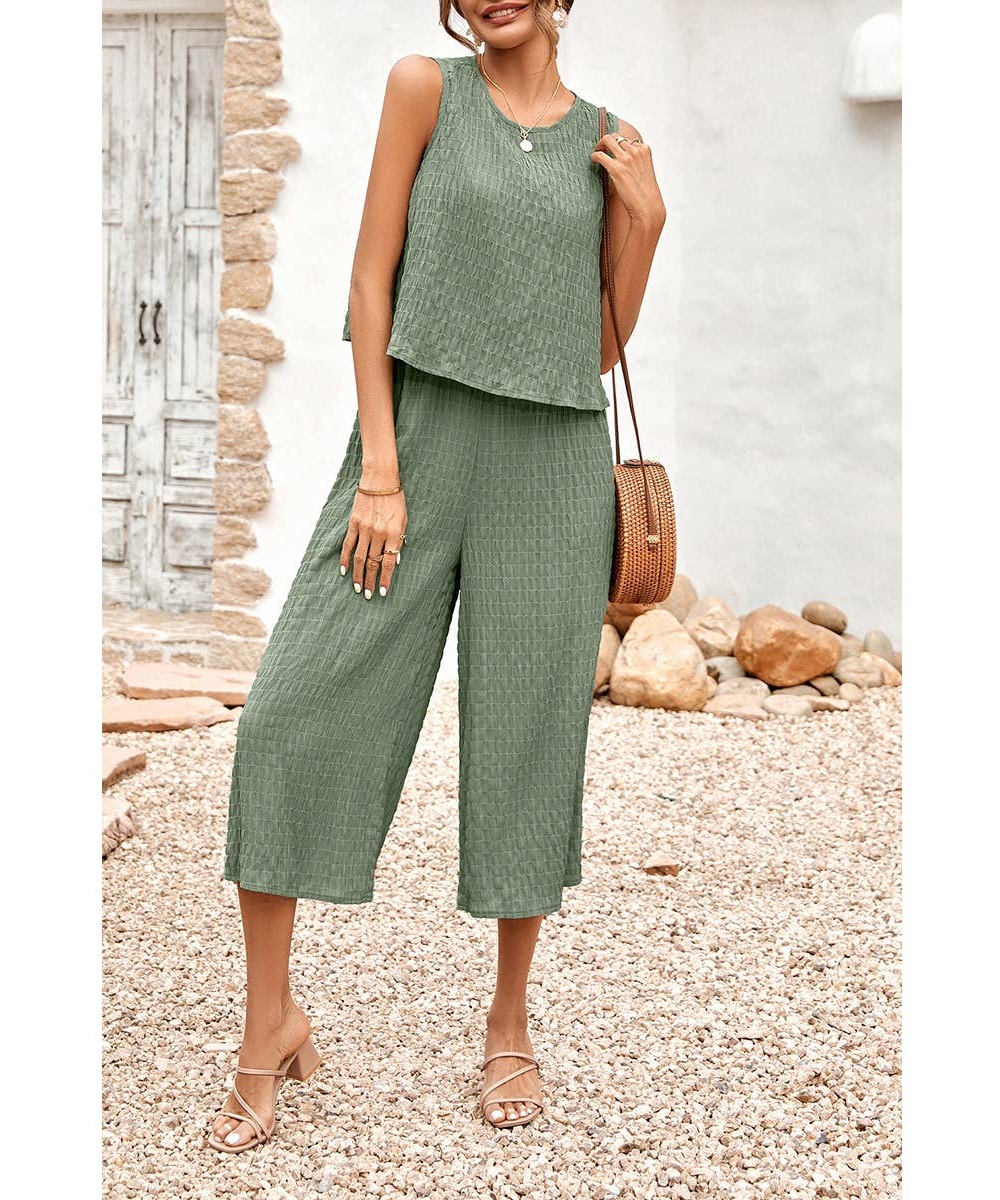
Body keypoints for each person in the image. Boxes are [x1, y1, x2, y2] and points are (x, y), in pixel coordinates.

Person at [209, 0, 666, 1151]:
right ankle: (270, 1021)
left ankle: (509, 1023)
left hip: (550, 469)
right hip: (411, 444)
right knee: (288, 718)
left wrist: (644, 224)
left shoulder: (610, 140)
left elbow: (596, 344)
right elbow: (371, 288)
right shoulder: (425, 88)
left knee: (526, 733)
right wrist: (380, 465)